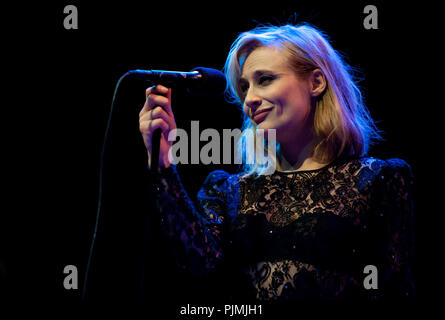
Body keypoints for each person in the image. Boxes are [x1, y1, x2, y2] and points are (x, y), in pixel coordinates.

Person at [138, 23, 415, 301]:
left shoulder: (376, 180)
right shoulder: (228, 190)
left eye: (265, 79)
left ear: (316, 82)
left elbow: (395, 291)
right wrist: (163, 162)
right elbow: (198, 265)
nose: (250, 99)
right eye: (244, 87)